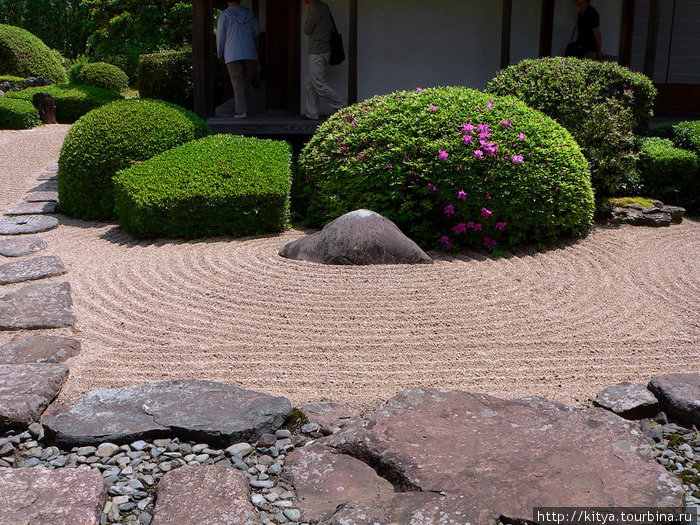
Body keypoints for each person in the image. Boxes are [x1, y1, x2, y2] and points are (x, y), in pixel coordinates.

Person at [302, 0, 346, 120]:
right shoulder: (323, 6)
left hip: (318, 49)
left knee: (318, 84)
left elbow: (307, 29)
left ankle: (341, 106)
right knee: (310, 83)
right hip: (323, 48)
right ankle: (312, 113)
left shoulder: (315, 8)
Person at [217, 0, 260, 119]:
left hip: (232, 53)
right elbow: (256, 32)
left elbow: (220, 37)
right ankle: (246, 109)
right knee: (246, 83)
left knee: (237, 84)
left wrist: (220, 54)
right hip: (249, 52)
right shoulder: (250, 14)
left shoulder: (224, 15)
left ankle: (241, 111)